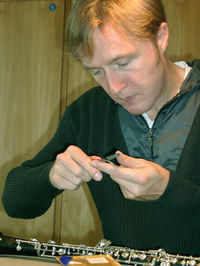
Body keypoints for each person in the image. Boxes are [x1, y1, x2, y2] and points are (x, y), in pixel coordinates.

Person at [2, 0, 200, 257]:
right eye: (97, 71)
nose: (114, 87)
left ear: (160, 38)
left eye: (122, 63)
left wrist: (169, 190)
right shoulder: (87, 112)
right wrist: (50, 176)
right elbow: (15, 202)